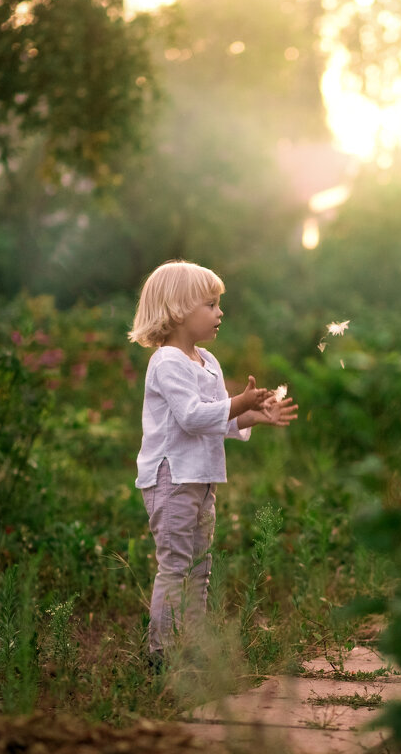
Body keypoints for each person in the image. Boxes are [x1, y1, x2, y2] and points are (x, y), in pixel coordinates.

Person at [127, 260, 297, 668]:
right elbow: (190, 415)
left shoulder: (208, 361)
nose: (220, 313)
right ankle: (161, 655)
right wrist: (239, 401)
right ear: (179, 309)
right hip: (171, 479)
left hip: (202, 480)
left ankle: (196, 647)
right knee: (174, 566)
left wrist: (254, 415)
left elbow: (216, 420)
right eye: (211, 304)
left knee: (200, 568)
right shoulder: (167, 362)